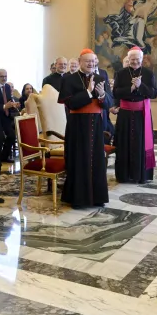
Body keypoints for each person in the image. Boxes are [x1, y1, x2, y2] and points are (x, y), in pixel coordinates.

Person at [58, 49, 109, 208]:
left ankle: (97, 197)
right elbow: (71, 103)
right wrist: (88, 92)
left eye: (94, 61)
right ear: (80, 62)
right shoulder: (69, 79)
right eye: (88, 61)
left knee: (96, 160)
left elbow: (109, 104)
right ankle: (78, 199)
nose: (91, 64)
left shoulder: (101, 77)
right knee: (79, 159)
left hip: (96, 124)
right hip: (77, 125)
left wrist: (101, 96)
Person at [113, 46, 157, 183]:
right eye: (132, 59)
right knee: (123, 143)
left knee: (141, 143)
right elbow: (115, 93)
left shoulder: (148, 74)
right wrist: (131, 88)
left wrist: (141, 86)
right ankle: (124, 175)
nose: (135, 62)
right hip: (125, 115)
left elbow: (154, 93)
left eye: (137, 59)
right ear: (128, 59)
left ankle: (141, 175)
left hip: (141, 115)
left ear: (142, 59)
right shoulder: (120, 74)